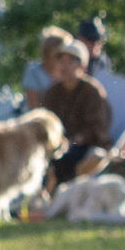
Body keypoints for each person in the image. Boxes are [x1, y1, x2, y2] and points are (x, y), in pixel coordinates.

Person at [29, 28, 110, 187]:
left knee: (66, 159)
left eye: (70, 61)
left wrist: (76, 140)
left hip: (85, 147)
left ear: (82, 65)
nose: (64, 66)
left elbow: (97, 127)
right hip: (57, 144)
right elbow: (46, 120)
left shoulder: (92, 91)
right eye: (61, 60)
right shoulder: (53, 91)